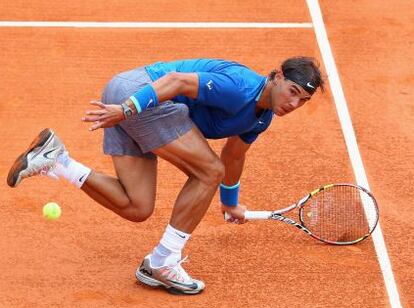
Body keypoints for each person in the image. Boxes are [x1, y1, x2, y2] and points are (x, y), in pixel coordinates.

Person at [7, 57, 324, 295]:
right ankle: (163, 261)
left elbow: (234, 155)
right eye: (292, 91)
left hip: (138, 102)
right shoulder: (240, 88)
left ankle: (57, 161)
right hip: (140, 96)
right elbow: (177, 81)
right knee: (208, 171)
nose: (294, 103)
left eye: (303, 101)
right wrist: (126, 110)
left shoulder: (260, 118)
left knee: (137, 207)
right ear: (278, 76)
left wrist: (230, 203)